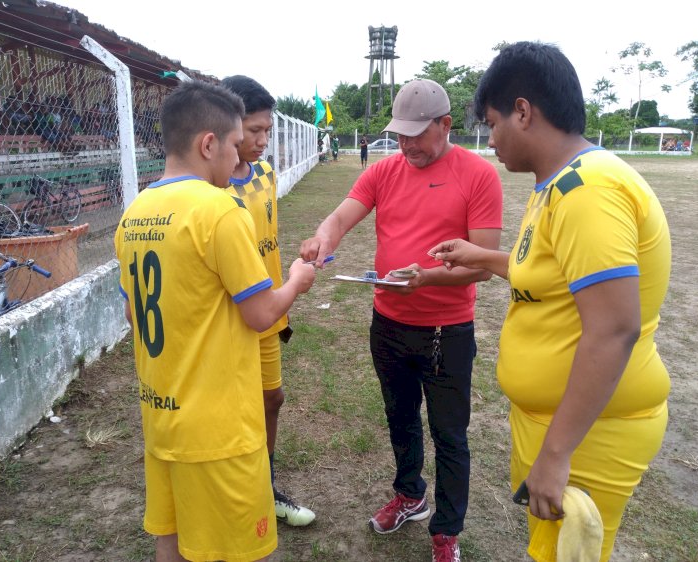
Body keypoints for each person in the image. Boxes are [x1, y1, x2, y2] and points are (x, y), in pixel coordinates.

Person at [430, 42, 671, 562]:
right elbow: (548, 274)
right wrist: (480, 256)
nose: (489, 139)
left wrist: (557, 454)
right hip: (559, 419)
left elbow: (614, 329)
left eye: (492, 123)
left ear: (523, 111)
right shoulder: (555, 186)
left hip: (591, 431)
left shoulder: (589, 190)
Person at [300, 79, 503, 562]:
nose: (406, 144)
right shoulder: (385, 171)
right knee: (400, 418)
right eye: (400, 134)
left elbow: (486, 264)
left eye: (416, 134)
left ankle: (446, 531)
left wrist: (427, 278)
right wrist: (321, 240)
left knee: (449, 434)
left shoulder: (478, 175)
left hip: (445, 331)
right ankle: (410, 495)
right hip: (388, 322)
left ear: (446, 125)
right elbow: (340, 217)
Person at [114, 80, 316, 562]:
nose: (238, 155)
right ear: (209, 144)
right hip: (220, 428)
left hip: (162, 421)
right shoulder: (218, 210)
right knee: (247, 549)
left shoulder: (135, 213)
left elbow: (132, 313)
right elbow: (263, 311)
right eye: (232, 145)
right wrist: (297, 280)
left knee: (173, 542)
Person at [222, 74, 316, 527]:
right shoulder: (209, 188)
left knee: (272, 398)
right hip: (230, 318)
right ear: (228, 128)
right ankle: (236, 497)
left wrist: (288, 280)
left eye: (267, 130)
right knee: (233, 407)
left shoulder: (265, 172)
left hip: (269, 306)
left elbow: (265, 240)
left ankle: (266, 488)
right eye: (253, 131)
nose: (262, 140)